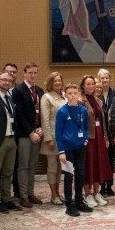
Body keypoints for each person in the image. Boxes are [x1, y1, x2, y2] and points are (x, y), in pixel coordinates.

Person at [55, 83, 93, 217]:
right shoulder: (62, 111)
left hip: (80, 147)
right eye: (70, 93)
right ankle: (69, 204)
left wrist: (86, 140)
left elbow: (87, 127)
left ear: (78, 94)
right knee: (69, 176)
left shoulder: (83, 110)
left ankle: (78, 201)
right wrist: (61, 151)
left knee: (81, 174)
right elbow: (58, 133)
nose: (72, 96)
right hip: (67, 149)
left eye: (75, 93)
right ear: (66, 95)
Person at [13, 63, 45, 206]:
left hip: (37, 133)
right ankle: (23, 195)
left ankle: (31, 193)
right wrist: (30, 132)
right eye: (30, 72)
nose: (33, 75)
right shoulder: (18, 90)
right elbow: (18, 114)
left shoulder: (39, 90)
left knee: (33, 165)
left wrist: (40, 129)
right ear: (24, 74)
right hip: (25, 134)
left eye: (35, 72)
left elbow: (41, 112)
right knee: (23, 166)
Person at [79, 75, 112, 207]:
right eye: (88, 84)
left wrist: (105, 136)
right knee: (88, 165)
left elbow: (102, 120)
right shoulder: (80, 100)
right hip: (87, 137)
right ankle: (87, 194)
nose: (91, 86)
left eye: (92, 84)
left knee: (98, 164)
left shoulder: (98, 100)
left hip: (98, 136)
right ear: (83, 86)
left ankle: (97, 193)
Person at [0, 71, 20, 214]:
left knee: (8, 172)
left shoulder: (10, 97)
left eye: (10, 80)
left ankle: (7, 199)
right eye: (4, 80)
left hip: (11, 139)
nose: (7, 82)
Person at [41, 71, 67, 205]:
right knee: (52, 167)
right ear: (50, 83)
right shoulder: (46, 97)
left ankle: (58, 192)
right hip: (52, 138)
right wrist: (49, 138)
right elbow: (45, 120)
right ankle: (53, 195)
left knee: (60, 168)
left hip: (64, 138)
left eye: (59, 80)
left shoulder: (64, 97)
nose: (58, 83)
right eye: (55, 81)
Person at [97, 68, 115, 197]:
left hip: (111, 131)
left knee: (110, 160)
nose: (104, 80)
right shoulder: (95, 94)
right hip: (99, 132)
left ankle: (109, 186)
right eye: (102, 78)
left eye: (106, 77)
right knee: (100, 160)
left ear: (110, 79)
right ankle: (101, 186)